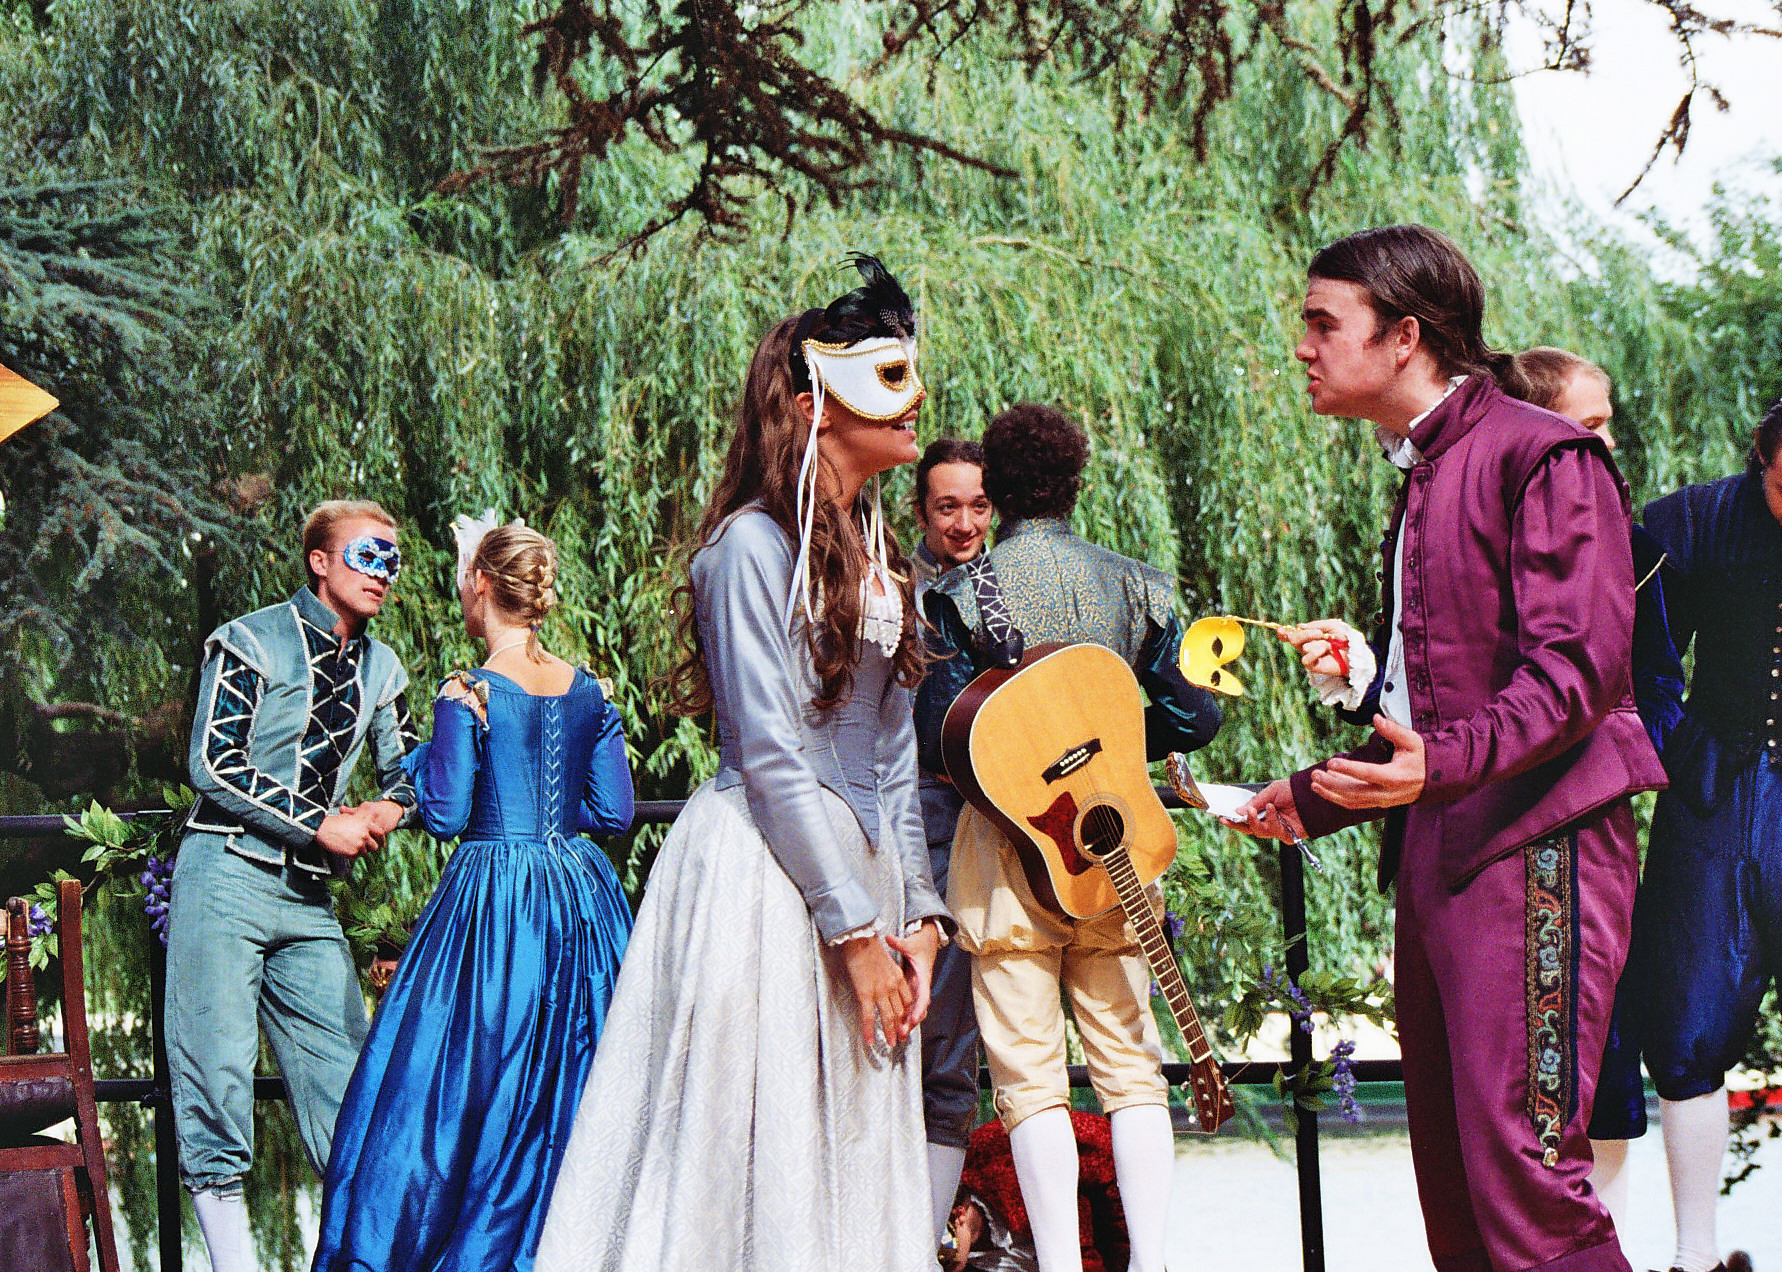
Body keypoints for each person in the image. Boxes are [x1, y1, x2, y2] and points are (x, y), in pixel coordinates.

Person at [1233, 224, 1666, 1272]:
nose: (1303, 345)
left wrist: (1445, 762)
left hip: (1541, 844)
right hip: (1450, 841)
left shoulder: (1543, 454)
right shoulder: (1430, 465)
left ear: (1405, 336)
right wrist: (1321, 792)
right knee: (1459, 1190)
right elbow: (1438, 687)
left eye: (1323, 322)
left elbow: (1577, 670)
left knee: (1526, 1178)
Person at [533, 255, 951, 1272]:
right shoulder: (747, 550)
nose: (917, 399)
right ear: (814, 405)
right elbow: (768, 750)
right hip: (763, 878)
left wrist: (918, 914)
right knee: (746, 1140)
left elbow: (895, 752)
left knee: (848, 1139)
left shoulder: (882, 560)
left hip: (863, 879)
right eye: (886, 376)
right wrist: (852, 927)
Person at [915, 403, 1222, 1272]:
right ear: (1075, 485)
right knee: (1131, 1064)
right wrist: (1112, 749)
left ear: (996, 489)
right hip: (1113, 847)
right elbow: (1196, 718)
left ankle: (1057, 1263)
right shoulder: (1136, 584)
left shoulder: (958, 595)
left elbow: (938, 735)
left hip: (1005, 854)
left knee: (1027, 1074)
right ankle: (1150, 1261)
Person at [312, 518, 635, 1272]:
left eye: (464, 581)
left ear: (481, 584)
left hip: (495, 897)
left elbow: (447, 811)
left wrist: (422, 764)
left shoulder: (468, 690)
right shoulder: (590, 690)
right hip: (581, 892)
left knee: (461, 1075)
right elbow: (615, 812)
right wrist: (551, 817)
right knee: (575, 1071)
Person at [167, 499, 419, 1272]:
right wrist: (320, 823)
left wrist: (387, 808)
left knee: (351, 1083)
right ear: (319, 561)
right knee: (215, 1076)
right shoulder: (248, 640)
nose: (382, 575)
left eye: (392, 562)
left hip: (307, 900)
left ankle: (357, 1258)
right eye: (367, 557)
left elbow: (409, 771)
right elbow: (213, 763)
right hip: (225, 876)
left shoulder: (383, 667)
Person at [1619, 399, 1782, 1272]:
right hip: (1718, 791)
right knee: (1686, 1022)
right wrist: (1681, 751)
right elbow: (1645, 663)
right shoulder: (1690, 523)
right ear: (1761, 459)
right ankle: (1695, 1258)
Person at [910, 436, 995, 1240]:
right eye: (947, 507)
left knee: (952, 1058)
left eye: (977, 505)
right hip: (914, 840)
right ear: (921, 513)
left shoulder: (1012, 593)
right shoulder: (894, 595)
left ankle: (926, 1238)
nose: (964, 522)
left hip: (997, 845)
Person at [947, 1111, 1130, 1272]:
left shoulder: (990, 1152)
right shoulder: (968, 1259)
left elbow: (1106, 1147)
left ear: (958, 1215)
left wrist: (1124, 1259)